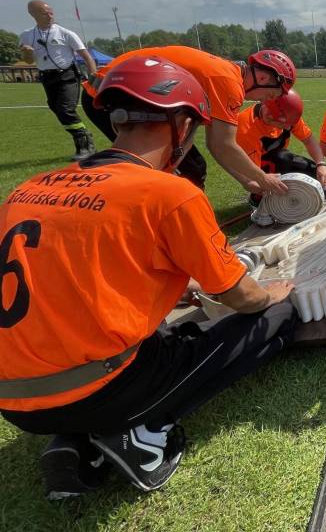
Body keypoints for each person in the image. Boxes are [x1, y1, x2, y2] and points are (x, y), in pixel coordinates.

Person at [0, 57, 298, 498]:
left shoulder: (28, 188)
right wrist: (269, 295)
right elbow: (241, 295)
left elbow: (83, 272)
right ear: (181, 124)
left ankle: (77, 441)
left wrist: (182, 287)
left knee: (150, 337)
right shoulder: (169, 193)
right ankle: (141, 432)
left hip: (13, 401)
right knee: (277, 318)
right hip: (99, 388)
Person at [82, 46, 294, 195]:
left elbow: (215, 145)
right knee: (168, 170)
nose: (265, 101)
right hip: (114, 96)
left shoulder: (227, 74)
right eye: (270, 95)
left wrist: (246, 180)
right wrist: (262, 178)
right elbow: (223, 145)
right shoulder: (229, 84)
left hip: (113, 91)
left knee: (190, 167)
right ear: (263, 78)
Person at [19, 0, 99, 160]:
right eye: (45, 13)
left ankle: (84, 146)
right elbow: (28, 61)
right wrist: (27, 52)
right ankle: (85, 136)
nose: (50, 16)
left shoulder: (65, 33)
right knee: (56, 109)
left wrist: (93, 76)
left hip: (67, 75)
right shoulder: (26, 35)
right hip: (46, 77)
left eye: (51, 12)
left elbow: (86, 56)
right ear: (33, 14)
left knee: (65, 110)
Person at [235, 90, 326, 189]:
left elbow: (309, 140)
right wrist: (261, 183)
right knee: (282, 158)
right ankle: (260, 196)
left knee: (313, 170)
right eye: (285, 124)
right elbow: (251, 173)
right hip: (254, 167)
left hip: (280, 158)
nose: (288, 127)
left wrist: (321, 165)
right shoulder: (246, 129)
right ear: (269, 116)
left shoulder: (287, 113)